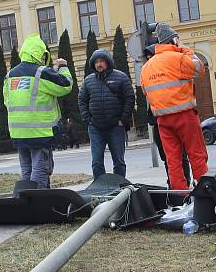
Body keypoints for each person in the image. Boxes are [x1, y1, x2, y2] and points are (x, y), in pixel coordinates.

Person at [140, 23, 208, 190]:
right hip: (184, 115)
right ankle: (205, 190)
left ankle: (179, 195)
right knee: (196, 154)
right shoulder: (177, 58)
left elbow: (145, 91)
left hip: (163, 120)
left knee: (173, 160)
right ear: (173, 40)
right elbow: (199, 68)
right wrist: (184, 49)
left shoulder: (146, 67)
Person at [4, 33, 72, 189]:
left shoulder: (10, 76)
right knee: (40, 170)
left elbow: (6, 101)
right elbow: (65, 86)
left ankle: (25, 203)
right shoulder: (41, 73)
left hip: (18, 133)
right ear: (39, 54)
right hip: (39, 132)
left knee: (26, 170)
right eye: (43, 56)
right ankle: (39, 202)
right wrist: (63, 67)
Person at [78, 49, 135, 179]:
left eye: (102, 61)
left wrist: (123, 119)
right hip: (95, 127)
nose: (99, 64)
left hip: (116, 126)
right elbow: (81, 100)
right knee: (97, 162)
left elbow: (129, 98)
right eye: (97, 62)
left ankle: (120, 186)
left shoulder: (121, 77)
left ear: (108, 62)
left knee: (119, 162)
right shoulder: (88, 80)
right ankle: (99, 187)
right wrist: (88, 119)